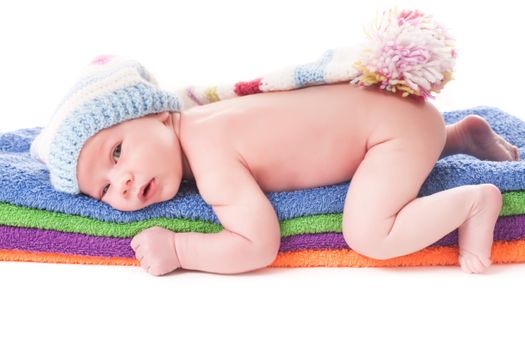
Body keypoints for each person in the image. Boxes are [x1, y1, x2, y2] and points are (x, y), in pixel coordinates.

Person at [30, 57, 520, 277]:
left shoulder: (211, 157)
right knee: (397, 147)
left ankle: (474, 201)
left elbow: (257, 244)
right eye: (105, 189)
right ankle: (457, 137)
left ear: (159, 114)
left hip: (390, 134)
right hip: (393, 111)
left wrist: (179, 248)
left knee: (369, 232)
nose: (125, 183)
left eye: (117, 154)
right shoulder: (200, 119)